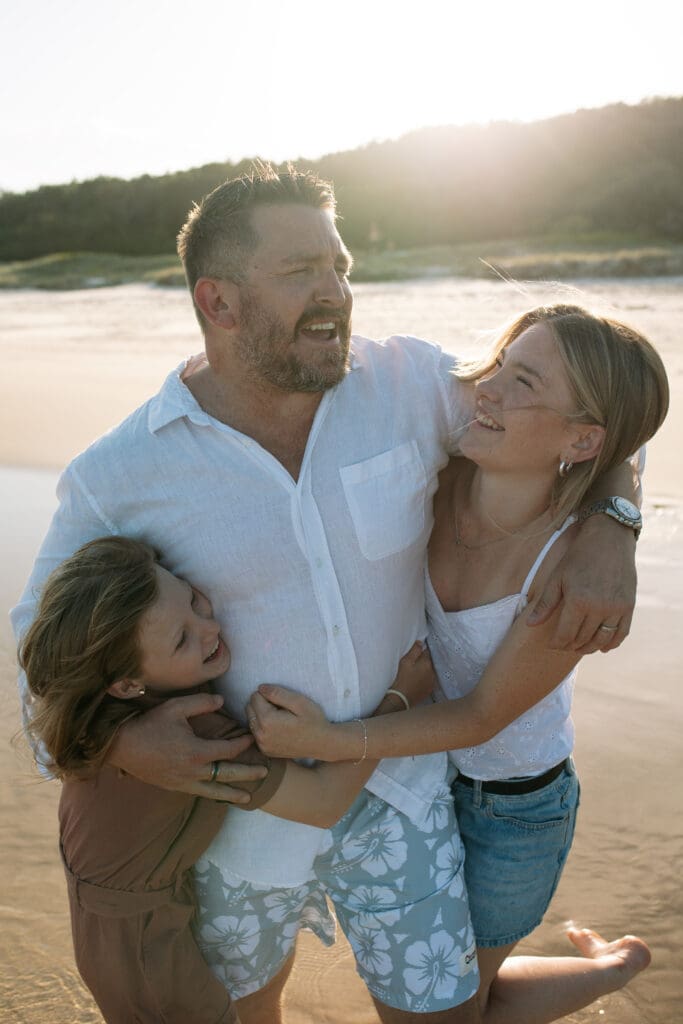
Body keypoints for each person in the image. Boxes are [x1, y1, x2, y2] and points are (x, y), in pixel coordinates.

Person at [12, 166, 643, 1024]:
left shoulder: (410, 384)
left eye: (341, 266)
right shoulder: (118, 474)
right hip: (243, 815)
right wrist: (124, 748)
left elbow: (579, 420)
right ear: (220, 302)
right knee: (248, 1012)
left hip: (405, 797)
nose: (336, 292)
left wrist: (614, 521)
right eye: (301, 271)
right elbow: (38, 662)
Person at [248, 303, 667, 1023]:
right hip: (422, 776)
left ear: (579, 438)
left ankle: (613, 967)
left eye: (522, 382)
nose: (487, 388)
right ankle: (607, 963)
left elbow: (478, 717)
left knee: (465, 1005)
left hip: (514, 815)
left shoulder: (566, 572)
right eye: (498, 364)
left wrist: (328, 741)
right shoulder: (441, 477)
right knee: (450, 1000)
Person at [19, 535, 433, 1024]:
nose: (210, 626)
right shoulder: (192, 735)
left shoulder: (96, 717)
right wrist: (399, 699)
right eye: (181, 638)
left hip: (106, 920)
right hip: (143, 950)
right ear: (128, 685)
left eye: (194, 600)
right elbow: (324, 802)